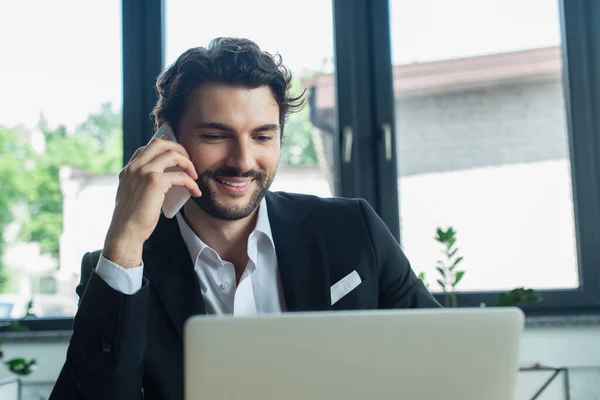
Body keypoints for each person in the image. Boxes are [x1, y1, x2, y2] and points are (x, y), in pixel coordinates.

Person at [50, 37, 440, 400]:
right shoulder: (124, 270)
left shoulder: (354, 230)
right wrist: (125, 238)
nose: (242, 161)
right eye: (216, 136)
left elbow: (442, 356)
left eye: (262, 136)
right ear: (167, 141)